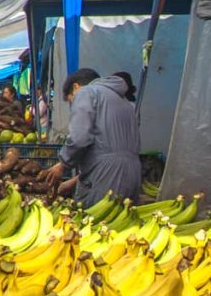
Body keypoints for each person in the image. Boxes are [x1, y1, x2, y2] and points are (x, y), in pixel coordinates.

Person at [45, 68, 141, 205]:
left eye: (71, 101)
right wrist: (74, 181)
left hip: (105, 176)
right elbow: (110, 149)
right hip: (133, 174)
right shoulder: (126, 103)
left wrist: (63, 164)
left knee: (92, 220)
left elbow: (79, 138)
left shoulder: (86, 92)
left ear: (76, 87)